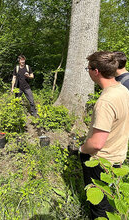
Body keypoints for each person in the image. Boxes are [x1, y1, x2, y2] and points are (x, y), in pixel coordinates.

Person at [79, 51, 129, 219]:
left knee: (100, 208)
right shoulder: (123, 90)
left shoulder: (105, 102)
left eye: (88, 68)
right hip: (118, 157)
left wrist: (82, 149)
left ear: (96, 71)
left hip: (101, 162)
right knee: (111, 203)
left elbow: (97, 144)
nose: (88, 71)